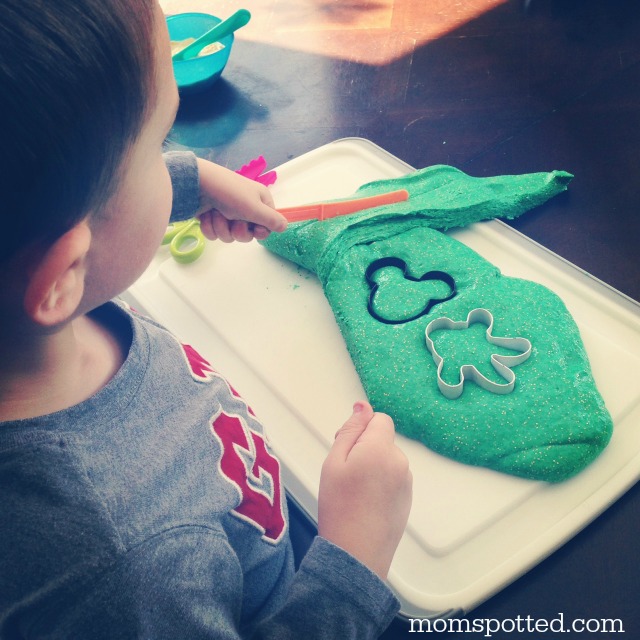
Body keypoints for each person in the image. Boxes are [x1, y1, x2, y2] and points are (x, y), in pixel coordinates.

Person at [0, 1, 413, 637]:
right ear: (62, 276)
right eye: (160, 142)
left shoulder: (32, 314)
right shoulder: (128, 566)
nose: (176, 156)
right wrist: (353, 562)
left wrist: (188, 184)